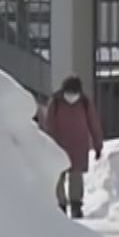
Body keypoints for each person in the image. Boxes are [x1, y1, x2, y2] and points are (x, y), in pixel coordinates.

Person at [39, 75, 105, 218]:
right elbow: (93, 123)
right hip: (69, 145)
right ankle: (69, 204)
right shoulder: (71, 102)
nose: (71, 96)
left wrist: (98, 144)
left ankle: (68, 204)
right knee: (68, 175)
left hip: (68, 145)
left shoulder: (72, 102)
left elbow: (49, 124)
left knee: (67, 176)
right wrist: (97, 144)